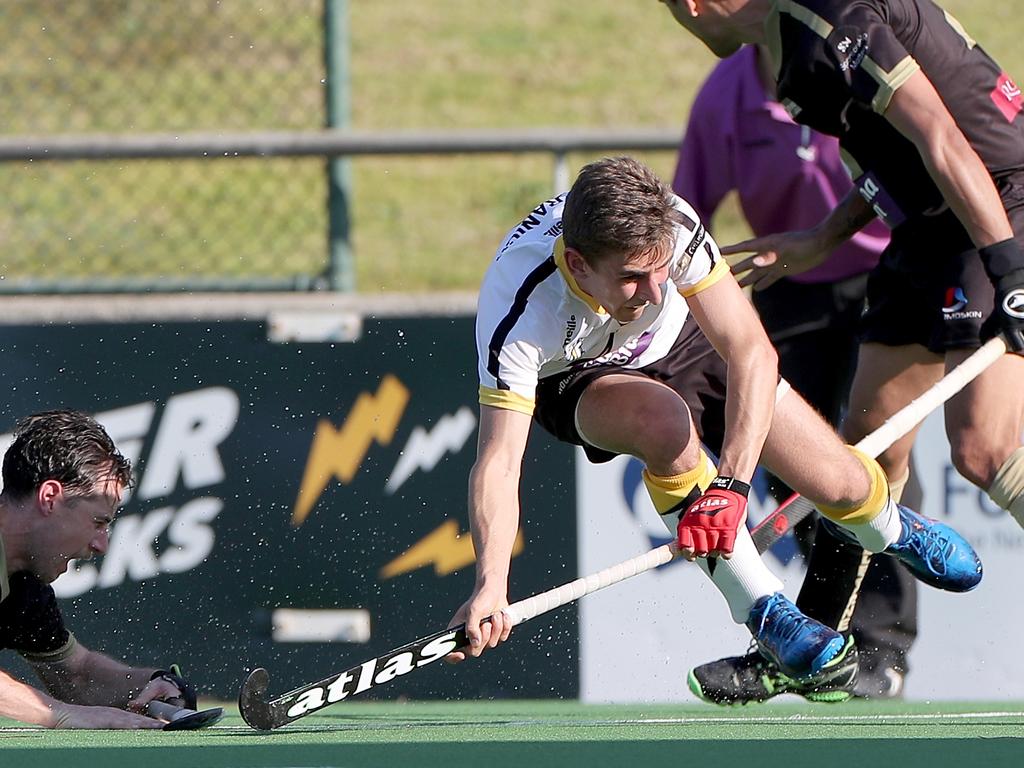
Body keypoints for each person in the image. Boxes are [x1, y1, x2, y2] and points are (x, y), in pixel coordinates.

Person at [446, 156, 981, 693]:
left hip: (684, 341)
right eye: (631, 279)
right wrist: (492, 583)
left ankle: (892, 527)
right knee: (664, 424)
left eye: (660, 273)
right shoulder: (519, 308)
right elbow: (499, 459)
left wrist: (730, 486)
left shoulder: (670, 224)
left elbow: (752, 351)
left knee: (839, 482)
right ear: (580, 265)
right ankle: (765, 611)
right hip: (574, 378)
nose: (654, 293)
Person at [658, 0, 1024, 702]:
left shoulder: (826, 17)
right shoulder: (791, 57)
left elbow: (942, 134)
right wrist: (820, 238)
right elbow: (887, 154)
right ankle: (809, 651)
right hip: (928, 225)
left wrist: (1010, 267)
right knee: (856, 463)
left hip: (1000, 200)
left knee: (984, 449)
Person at [672, 43, 917, 702]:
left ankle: (880, 645)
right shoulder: (725, 93)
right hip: (789, 286)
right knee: (789, 459)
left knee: (873, 451)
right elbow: (682, 212)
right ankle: (812, 640)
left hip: (887, 275)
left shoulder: (845, 56)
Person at [0, 410, 197, 729]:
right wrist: (60, 713)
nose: (101, 545)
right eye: (98, 522)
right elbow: (69, 704)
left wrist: (152, 684)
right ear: (50, 498)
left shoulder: (24, 588)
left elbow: (77, 676)